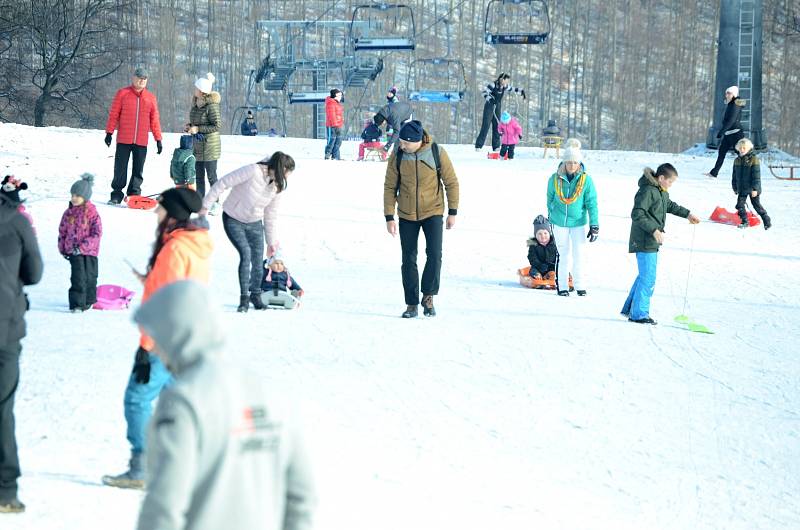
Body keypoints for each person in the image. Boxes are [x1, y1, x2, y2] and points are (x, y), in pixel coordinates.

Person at [132, 280, 316, 530]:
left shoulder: (184, 402)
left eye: (159, 338)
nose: (157, 349)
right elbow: (301, 497)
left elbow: (164, 506)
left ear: (176, 334)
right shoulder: (273, 394)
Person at [102, 188, 212, 489]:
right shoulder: (193, 243)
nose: (156, 213)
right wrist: (151, 279)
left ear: (172, 214)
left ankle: (142, 467)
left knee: (136, 400)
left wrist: (146, 348)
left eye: (160, 209)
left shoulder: (175, 249)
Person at [201, 152, 295, 313]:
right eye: (287, 172)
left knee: (258, 261)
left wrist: (271, 243)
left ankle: (255, 295)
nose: (287, 177)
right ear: (281, 168)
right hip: (233, 218)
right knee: (246, 254)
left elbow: (270, 216)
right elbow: (223, 183)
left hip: (255, 222)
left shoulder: (277, 187)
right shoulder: (253, 171)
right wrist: (205, 206)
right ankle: (244, 298)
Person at [383, 120, 459, 318]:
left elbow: (451, 182)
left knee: (434, 254)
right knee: (408, 259)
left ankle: (428, 296)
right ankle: (411, 304)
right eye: (400, 142)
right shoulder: (398, 155)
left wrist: (453, 211)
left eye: (405, 143)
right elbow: (390, 186)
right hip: (407, 214)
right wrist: (389, 216)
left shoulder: (437, 152)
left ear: (415, 141)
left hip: (432, 211)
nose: (401, 146)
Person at [0, 183, 42, 514]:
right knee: (2, 409)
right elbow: (34, 272)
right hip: (5, 331)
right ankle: (6, 490)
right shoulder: (16, 221)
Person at [623, 164, 701, 324]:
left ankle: (632, 309)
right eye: (670, 182)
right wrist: (654, 230)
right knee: (648, 278)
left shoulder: (660, 191)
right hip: (644, 239)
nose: (671, 185)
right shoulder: (647, 191)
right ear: (661, 178)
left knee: (644, 276)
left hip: (650, 240)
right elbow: (637, 213)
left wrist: (688, 214)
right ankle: (639, 314)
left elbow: (670, 205)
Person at [546, 139, 599, 297]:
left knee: (579, 253)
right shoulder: (554, 179)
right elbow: (549, 199)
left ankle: (580, 285)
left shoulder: (586, 180)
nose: (572, 166)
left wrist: (594, 225)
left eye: (575, 162)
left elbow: (592, 203)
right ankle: (562, 286)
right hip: (559, 222)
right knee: (563, 254)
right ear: (564, 162)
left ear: (579, 163)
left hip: (577, 222)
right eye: (569, 162)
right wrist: (552, 212)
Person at [105, 67, 163, 205]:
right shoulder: (123, 93)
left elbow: (154, 120)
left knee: (138, 169)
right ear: (133, 78)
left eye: (144, 79)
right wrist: (109, 133)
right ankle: (116, 194)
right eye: (139, 77)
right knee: (120, 168)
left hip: (141, 140)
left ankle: (134, 194)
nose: (142, 81)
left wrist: (158, 139)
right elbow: (114, 114)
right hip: (124, 139)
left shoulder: (150, 98)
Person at [58, 174, 102, 312]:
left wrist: (83, 246)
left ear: (85, 197)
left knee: (90, 277)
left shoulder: (92, 213)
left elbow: (97, 233)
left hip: (90, 252)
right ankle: (77, 304)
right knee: (78, 278)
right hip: (74, 252)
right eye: (73, 195)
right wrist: (63, 248)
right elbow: (62, 231)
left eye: (77, 195)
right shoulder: (68, 213)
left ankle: (88, 300)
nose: (74, 198)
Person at [185, 73, 221, 199]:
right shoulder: (196, 104)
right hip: (198, 146)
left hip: (210, 147)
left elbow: (216, 125)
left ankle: (215, 202)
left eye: (196, 88)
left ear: (201, 91)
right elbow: (196, 122)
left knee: (211, 176)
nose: (194, 90)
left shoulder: (211, 106)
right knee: (199, 176)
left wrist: (198, 129)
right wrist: (190, 126)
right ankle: (200, 199)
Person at [474, 73, 526, 153]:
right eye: (506, 81)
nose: (507, 83)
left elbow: (512, 89)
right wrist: (489, 99)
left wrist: (521, 91)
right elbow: (484, 93)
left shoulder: (504, 86)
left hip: (497, 106)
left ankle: (496, 146)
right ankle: (479, 145)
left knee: (497, 126)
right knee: (486, 125)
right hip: (489, 106)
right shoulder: (493, 85)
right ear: (501, 79)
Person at [706, 86, 746, 178]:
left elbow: (731, 120)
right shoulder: (731, 103)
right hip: (728, 134)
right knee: (721, 152)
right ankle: (714, 173)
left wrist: (721, 131)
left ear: (734, 94)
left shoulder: (735, 104)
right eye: (726, 93)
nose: (726, 95)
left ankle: (747, 173)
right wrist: (724, 132)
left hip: (736, 134)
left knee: (741, 155)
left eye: (729, 93)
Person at [732, 138, 771, 230]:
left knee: (756, 206)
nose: (742, 150)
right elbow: (734, 175)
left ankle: (766, 221)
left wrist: (755, 189)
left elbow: (756, 176)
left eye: (744, 148)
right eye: (740, 148)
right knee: (739, 205)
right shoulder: (737, 160)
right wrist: (735, 187)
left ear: (748, 148)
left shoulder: (754, 159)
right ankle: (744, 221)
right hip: (742, 188)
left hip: (752, 188)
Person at [374, 87, 413, 153]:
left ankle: (397, 152)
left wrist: (388, 145)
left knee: (398, 135)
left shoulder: (394, 101)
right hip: (396, 115)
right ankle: (393, 150)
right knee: (393, 135)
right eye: (388, 92)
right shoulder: (388, 102)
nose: (389, 94)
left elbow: (396, 128)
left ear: (394, 94)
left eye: (390, 93)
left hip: (406, 116)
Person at [527, 214, 558, 283]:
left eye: (545, 233)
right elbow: (531, 257)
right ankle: (537, 277)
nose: (543, 236)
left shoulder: (555, 243)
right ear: (535, 235)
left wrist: (555, 265)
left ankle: (553, 276)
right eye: (539, 234)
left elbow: (560, 256)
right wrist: (539, 265)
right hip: (538, 267)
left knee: (558, 271)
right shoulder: (532, 243)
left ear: (549, 233)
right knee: (533, 271)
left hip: (552, 267)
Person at [324, 89, 344, 160]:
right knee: (332, 140)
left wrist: (340, 124)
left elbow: (339, 115)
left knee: (338, 140)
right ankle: (328, 154)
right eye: (339, 95)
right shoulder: (331, 103)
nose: (341, 97)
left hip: (338, 125)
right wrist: (335, 124)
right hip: (332, 125)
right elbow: (331, 115)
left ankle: (336, 156)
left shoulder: (337, 103)